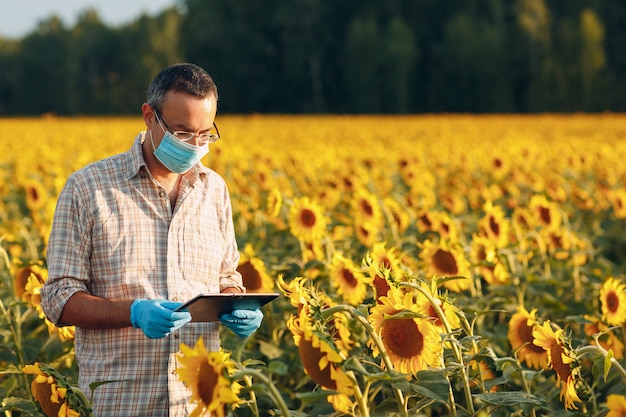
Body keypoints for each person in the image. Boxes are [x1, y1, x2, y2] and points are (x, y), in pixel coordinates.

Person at [40, 63, 263, 416]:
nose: (194, 146)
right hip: (122, 403)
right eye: (182, 133)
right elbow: (58, 298)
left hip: (198, 403)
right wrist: (133, 312)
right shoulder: (89, 189)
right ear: (149, 116)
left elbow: (226, 276)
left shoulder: (214, 190)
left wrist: (236, 304)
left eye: (205, 134)